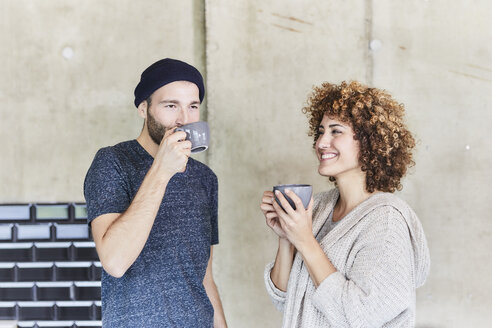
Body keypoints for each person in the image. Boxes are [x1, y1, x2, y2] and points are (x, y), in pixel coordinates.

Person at [260, 81, 430, 327]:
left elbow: (360, 316)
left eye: (335, 131)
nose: (320, 143)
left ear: (369, 142)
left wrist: (305, 240)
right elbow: (285, 299)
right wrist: (287, 236)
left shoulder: (386, 221)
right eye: (320, 131)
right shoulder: (318, 207)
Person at [84, 58, 227, 327]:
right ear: (143, 108)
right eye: (171, 105)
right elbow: (114, 261)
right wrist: (162, 170)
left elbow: (204, 276)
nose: (184, 119)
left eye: (193, 107)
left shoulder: (205, 179)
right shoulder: (112, 163)